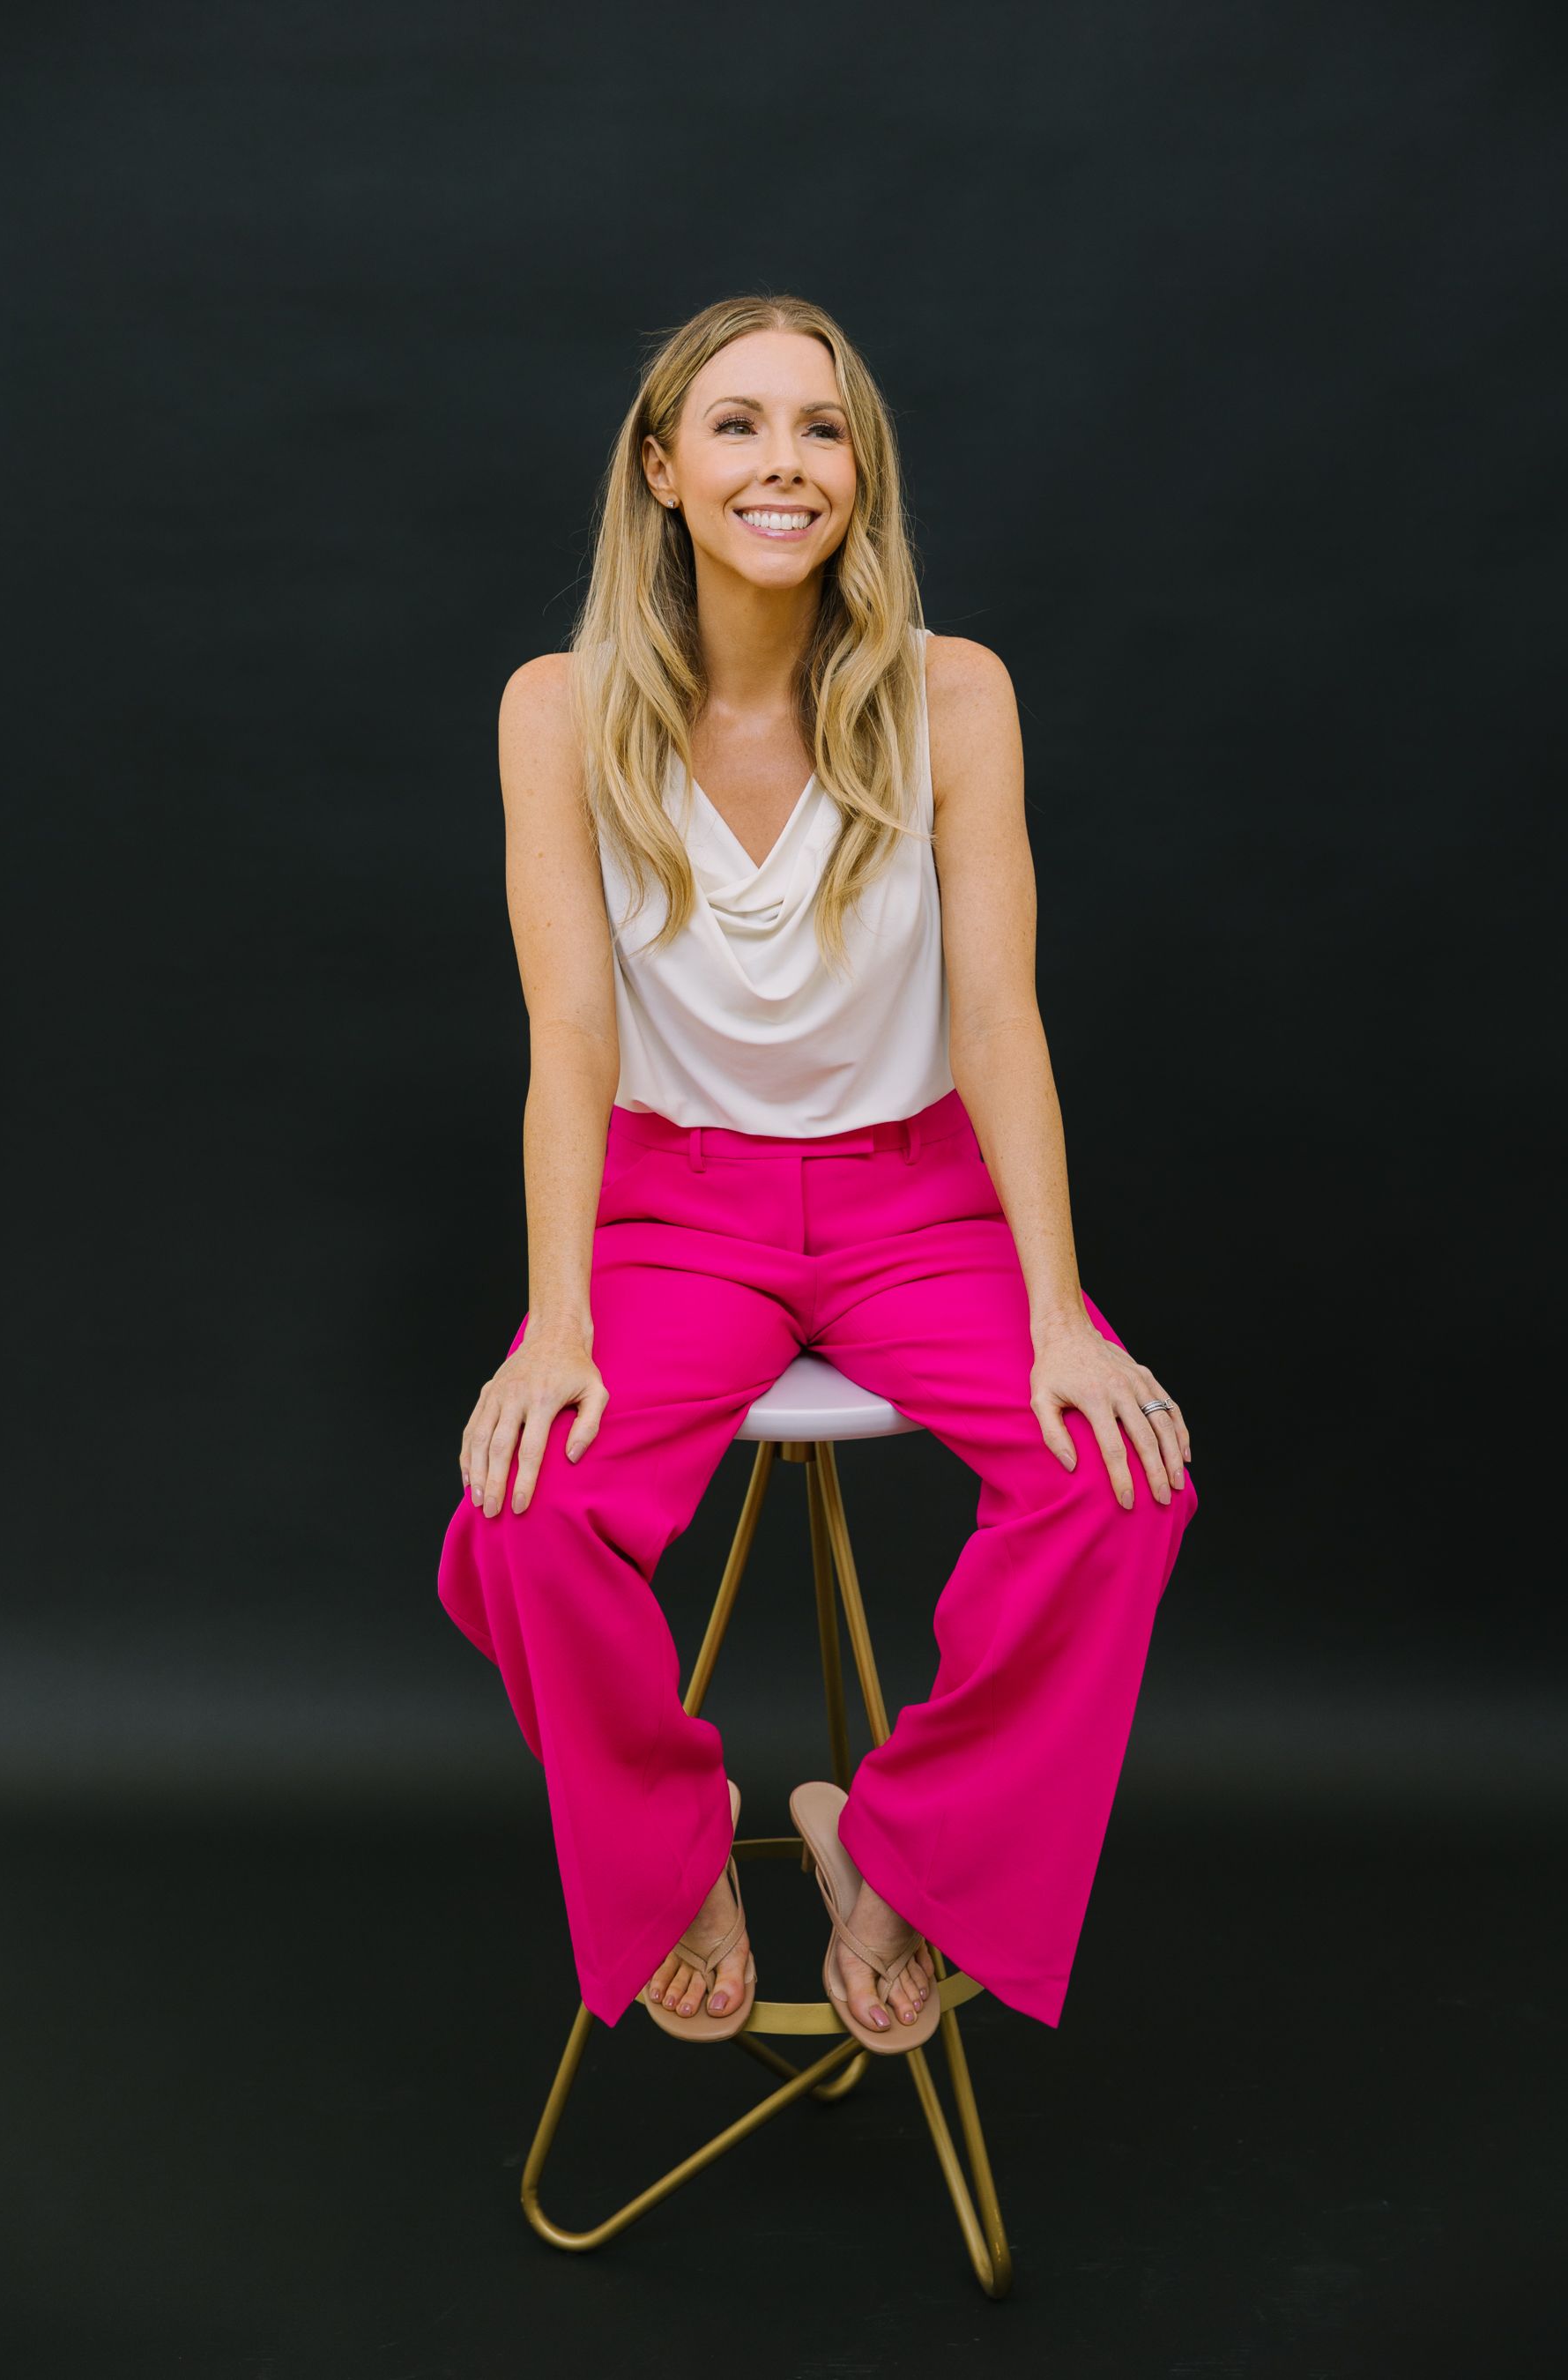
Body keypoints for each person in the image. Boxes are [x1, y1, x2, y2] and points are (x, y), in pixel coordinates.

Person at [437, 292, 1198, 2049]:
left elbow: (996, 1016)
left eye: (822, 426)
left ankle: (903, 1851)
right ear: (662, 468)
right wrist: (557, 1326)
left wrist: (1061, 1313)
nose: (784, 464)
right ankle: (674, 1849)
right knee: (524, 1517)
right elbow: (573, 1033)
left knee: (1117, 1484)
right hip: (672, 1209)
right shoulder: (558, 710)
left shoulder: (952, 693)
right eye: (738, 424)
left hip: (917, 1199)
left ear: (861, 470)